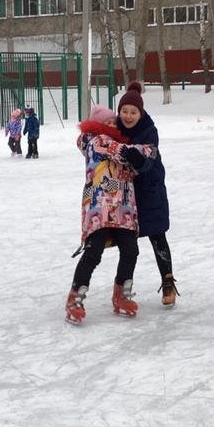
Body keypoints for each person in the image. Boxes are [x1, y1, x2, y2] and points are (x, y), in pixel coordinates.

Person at [64, 104, 156, 325]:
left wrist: (140, 155)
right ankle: (75, 296)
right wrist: (146, 150)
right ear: (97, 125)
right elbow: (122, 152)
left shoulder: (118, 145)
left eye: (113, 123)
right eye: (106, 123)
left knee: (130, 250)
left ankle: (121, 293)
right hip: (100, 206)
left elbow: (132, 167)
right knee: (93, 252)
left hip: (123, 208)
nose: (111, 126)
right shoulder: (96, 141)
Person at [116, 82, 178, 307]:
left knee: (157, 235)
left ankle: (168, 281)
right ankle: (123, 288)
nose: (128, 116)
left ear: (140, 113)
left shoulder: (149, 131)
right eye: (124, 111)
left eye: (133, 112)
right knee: (127, 243)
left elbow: (147, 161)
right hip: (124, 193)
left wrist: (135, 158)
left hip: (150, 191)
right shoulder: (115, 129)